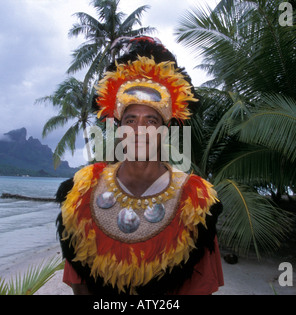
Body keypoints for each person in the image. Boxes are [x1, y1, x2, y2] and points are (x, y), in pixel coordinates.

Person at [56, 36, 224, 295]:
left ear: (165, 131)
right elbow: (80, 285)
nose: (140, 131)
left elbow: (199, 289)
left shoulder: (195, 201)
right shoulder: (83, 190)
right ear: (119, 128)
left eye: (151, 121)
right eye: (131, 120)